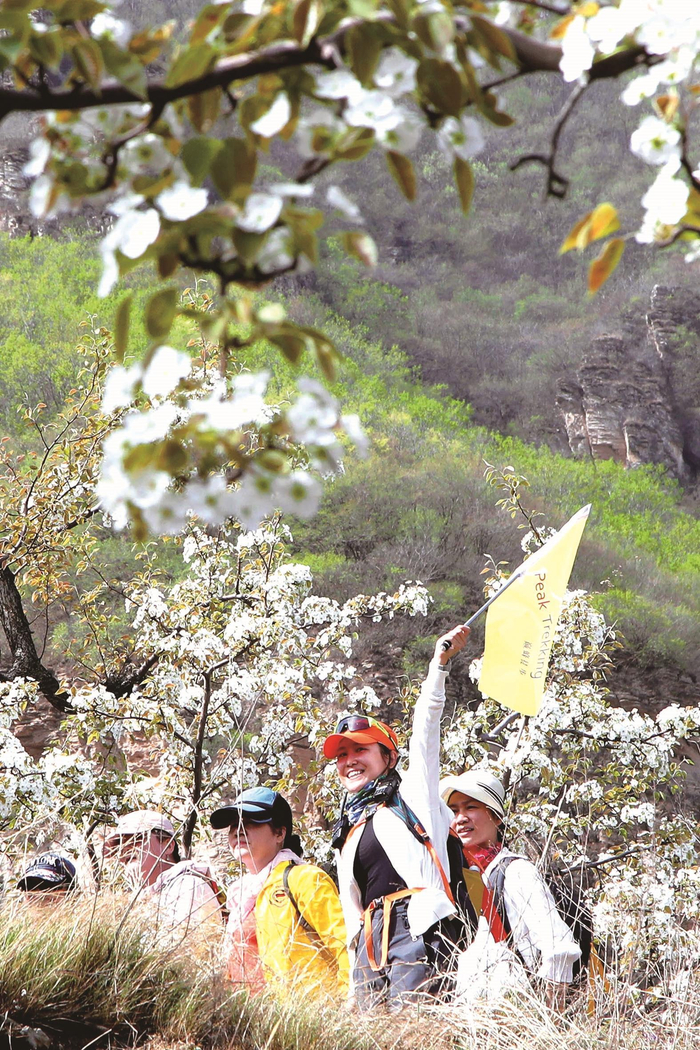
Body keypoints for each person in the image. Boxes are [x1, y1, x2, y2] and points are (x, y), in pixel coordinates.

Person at [323, 625, 470, 1010]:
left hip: (417, 926)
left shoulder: (412, 796)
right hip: (370, 941)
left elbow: (425, 733)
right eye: (341, 755)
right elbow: (349, 904)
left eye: (359, 749)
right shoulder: (348, 829)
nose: (348, 761)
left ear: (387, 757)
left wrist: (438, 666)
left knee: (416, 1028)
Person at [440, 769, 581, 1011]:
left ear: (496, 817)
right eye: (453, 811)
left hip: (514, 1018)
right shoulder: (457, 878)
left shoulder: (516, 872)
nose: (460, 818)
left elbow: (559, 949)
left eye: (471, 807)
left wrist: (546, 1020)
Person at [210, 786, 349, 1000]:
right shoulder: (239, 895)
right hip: (249, 1022)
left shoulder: (305, 879)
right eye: (233, 826)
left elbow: (344, 946)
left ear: (280, 833)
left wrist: (347, 1004)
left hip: (303, 1020)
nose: (238, 831)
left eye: (251, 823)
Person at [103, 810, 223, 939]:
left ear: (168, 846)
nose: (125, 849)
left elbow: (187, 952)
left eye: (136, 839)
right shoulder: (142, 900)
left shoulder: (187, 886)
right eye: (119, 847)